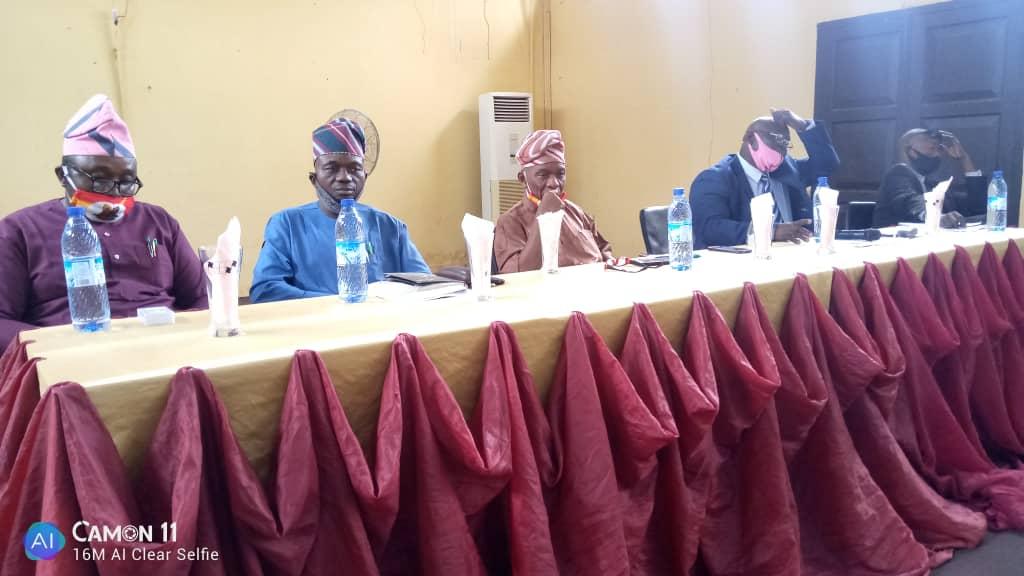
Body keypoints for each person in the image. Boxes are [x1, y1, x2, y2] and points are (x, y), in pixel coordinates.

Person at [0, 94, 207, 350]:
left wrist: (188, 336)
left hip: (166, 349)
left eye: (126, 181)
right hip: (69, 359)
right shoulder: (19, 231)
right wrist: (56, 345)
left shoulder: (158, 222)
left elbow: (201, 298)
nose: (113, 193)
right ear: (63, 176)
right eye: (99, 179)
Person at [250, 118, 430, 303]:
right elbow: (265, 290)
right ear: (314, 179)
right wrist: (341, 303)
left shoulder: (391, 227)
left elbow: (427, 288)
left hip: (380, 320)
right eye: (332, 168)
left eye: (354, 169)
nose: (345, 178)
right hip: (315, 321)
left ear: (365, 177)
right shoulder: (287, 224)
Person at [690, 109, 840, 249]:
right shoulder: (714, 179)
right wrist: (771, 231)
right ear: (750, 138)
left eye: (785, 144)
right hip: (744, 261)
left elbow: (827, 163)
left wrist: (802, 125)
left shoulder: (787, 169)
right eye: (776, 139)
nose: (781, 151)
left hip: (793, 255)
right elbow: (709, 228)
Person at [494, 130, 613, 272]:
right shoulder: (510, 222)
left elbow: (604, 250)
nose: (554, 183)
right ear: (523, 179)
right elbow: (516, 277)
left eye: (560, 174)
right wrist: (544, 217)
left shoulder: (576, 212)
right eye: (543, 175)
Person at [874, 129, 987, 228]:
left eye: (938, 149)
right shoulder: (898, 173)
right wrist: (936, 217)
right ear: (910, 150)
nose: (937, 155)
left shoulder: (931, 184)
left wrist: (964, 159)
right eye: (931, 148)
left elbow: (976, 208)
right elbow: (909, 202)